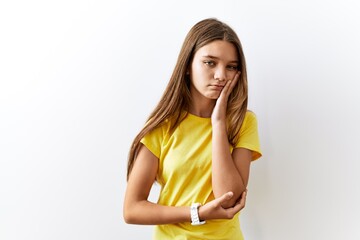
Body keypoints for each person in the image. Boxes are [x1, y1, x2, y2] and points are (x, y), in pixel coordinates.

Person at [123, 17, 262, 239]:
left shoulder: (242, 122)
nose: (221, 75)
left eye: (231, 67)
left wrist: (218, 125)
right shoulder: (163, 126)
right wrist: (196, 213)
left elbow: (230, 196)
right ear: (188, 65)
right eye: (210, 62)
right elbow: (132, 209)